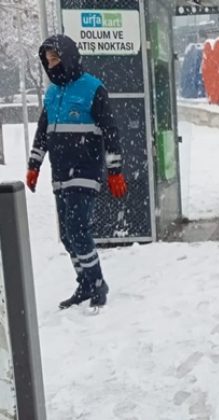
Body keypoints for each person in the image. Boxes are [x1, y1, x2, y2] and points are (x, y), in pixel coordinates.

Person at [25, 34, 126, 309]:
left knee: (78, 228)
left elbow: (111, 131)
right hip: (60, 173)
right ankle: (84, 282)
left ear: (68, 56)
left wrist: (115, 169)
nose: (52, 65)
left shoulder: (93, 89)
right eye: (48, 61)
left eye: (56, 58)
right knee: (68, 236)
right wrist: (34, 165)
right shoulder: (52, 93)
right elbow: (42, 133)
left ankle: (97, 283)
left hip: (86, 169)